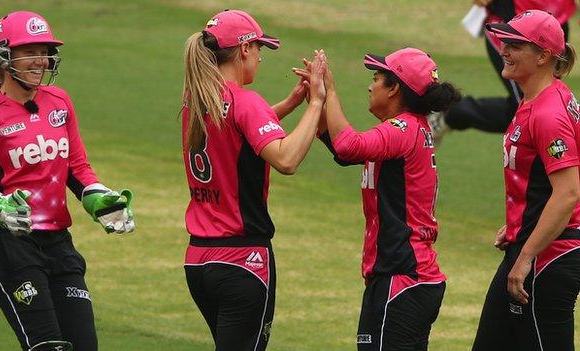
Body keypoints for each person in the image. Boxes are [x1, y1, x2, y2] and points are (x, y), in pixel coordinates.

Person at [0, 11, 135, 351]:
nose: (41, 59)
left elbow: (76, 167)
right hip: (8, 245)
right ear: (3, 56)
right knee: (48, 346)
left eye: (45, 50)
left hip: (58, 244)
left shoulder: (60, 102)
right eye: (30, 51)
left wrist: (99, 198)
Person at [181, 9, 326, 351]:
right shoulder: (246, 102)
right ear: (244, 49)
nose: (261, 57)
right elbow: (286, 159)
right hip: (242, 261)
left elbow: (240, 134)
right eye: (259, 48)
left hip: (199, 261)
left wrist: (290, 104)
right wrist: (315, 103)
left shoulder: (197, 100)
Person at [308, 48, 460, 350]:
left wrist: (331, 92)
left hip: (401, 279)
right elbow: (342, 151)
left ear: (394, 89)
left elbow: (349, 145)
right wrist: (316, 101)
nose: (370, 85)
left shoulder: (402, 130)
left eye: (376, 78)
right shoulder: (409, 129)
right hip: (409, 279)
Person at [472, 10, 580, 351]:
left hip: (549, 254)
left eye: (515, 44)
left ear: (543, 55)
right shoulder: (538, 98)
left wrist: (526, 257)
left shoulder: (549, 113)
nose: (504, 48)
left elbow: (568, 193)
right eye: (505, 40)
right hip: (533, 244)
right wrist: (518, 224)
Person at [429, 0, 576, 143]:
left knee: (540, 105)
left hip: (557, 20)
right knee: (532, 108)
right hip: (513, 26)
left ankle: (455, 113)